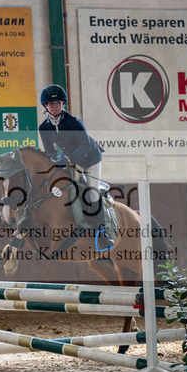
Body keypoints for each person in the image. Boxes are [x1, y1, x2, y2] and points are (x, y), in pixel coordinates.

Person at [38, 84, 113, 250]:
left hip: (90, 159)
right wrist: (56, 161)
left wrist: (68, 159)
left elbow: (85, 146)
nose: (55, 107)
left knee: (92, 193)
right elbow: (49, 151)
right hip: (71, 161)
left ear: (63, 103)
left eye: (58, 103)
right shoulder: (44, 127)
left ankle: (103, 233)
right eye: (51, 104)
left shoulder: (73, 122)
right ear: (46, 106)